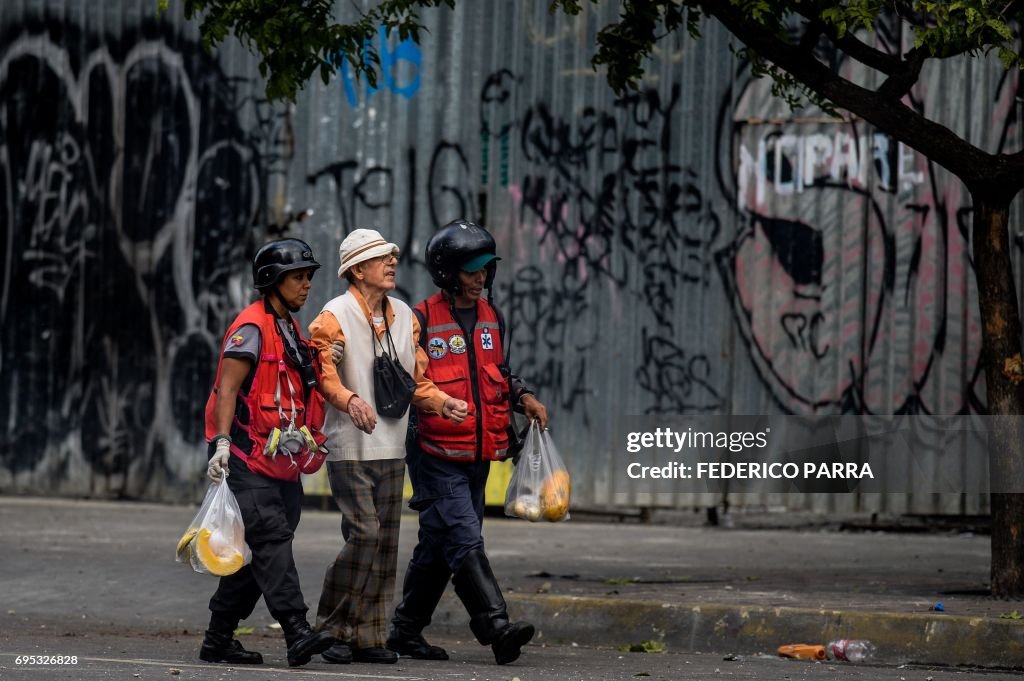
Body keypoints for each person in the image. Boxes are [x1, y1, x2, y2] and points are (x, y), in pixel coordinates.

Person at [387, 219, 549, 666]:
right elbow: (408, 382)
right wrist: (438, 404)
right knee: (463, 537)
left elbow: (497, 375)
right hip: (435, 454)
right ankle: (496, 627)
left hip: (478, 454)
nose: (480, 278)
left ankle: (404, 631)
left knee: (439, 547)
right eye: (471, 270)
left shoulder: (493, 318)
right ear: (447, 272)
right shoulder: (418, 319)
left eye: (485, 269)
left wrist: (524, 397)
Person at [308, 229, 469, 665]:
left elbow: (417, 381)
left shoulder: (404, 316)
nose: (392, 263)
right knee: (366, 534)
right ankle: (331, 628)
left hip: (391, 445)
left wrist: (443, 402)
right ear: (358, 269)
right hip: (349, 446)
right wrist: (350, 400)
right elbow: (324, 374)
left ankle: (368, 635)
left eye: (392, 256)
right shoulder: (333, 316)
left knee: (385, 545)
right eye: (381, 258)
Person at [200, 238, 335, 668]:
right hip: (243, 456)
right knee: (272, 538)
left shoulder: (290, 329)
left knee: (261, 549)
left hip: (280, 460)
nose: (306, 284)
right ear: (271, 281)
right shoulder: (251, 329)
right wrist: (221, 443)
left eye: (309, 276)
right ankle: (297, 630)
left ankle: (218, 638)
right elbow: (227, 389)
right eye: (298, 276)